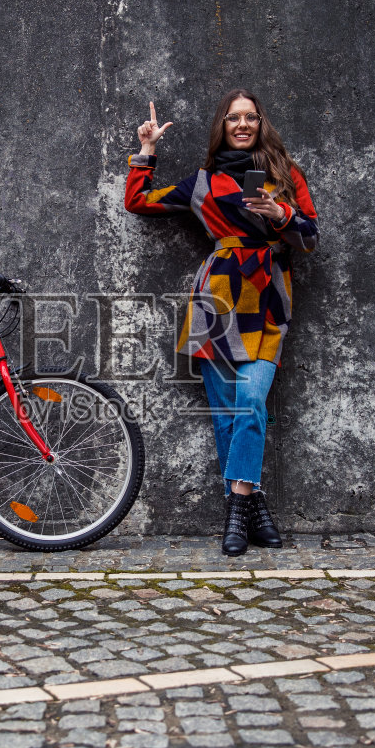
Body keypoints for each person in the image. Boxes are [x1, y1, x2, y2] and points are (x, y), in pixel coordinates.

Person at [124, 89, 319, 556]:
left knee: (250, 401)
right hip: (216, 301)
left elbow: (310, 237)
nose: (243, 124)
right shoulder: (204, 183)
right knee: (226, 414)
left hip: (268, 299)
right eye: (234, 117)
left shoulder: (285, 176)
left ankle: (236, 511)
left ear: (261, 123)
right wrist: (147, 151)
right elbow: (139, 202)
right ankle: (254, 506)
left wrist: (281, 214)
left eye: (251, 116)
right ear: (223, 126)